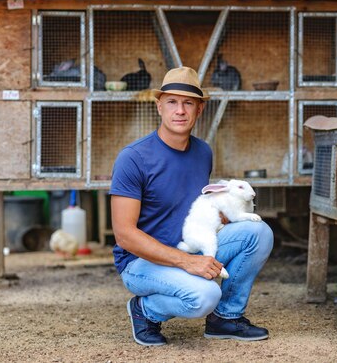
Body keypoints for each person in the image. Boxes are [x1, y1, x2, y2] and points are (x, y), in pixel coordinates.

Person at [110, 66, 274, 346]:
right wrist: (188, 262)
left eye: (188, 103)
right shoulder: (134, 158)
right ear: (159, 106)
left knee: (258, 233)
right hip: (141, 262)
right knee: (205, 295)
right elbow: (124, 235)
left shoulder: (202, 152)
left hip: (188, 245)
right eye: (172, 102)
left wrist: (221, 219)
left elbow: (194, 205)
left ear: (199, 110)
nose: (180, 110)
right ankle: (145, 311)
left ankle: (226, 318)